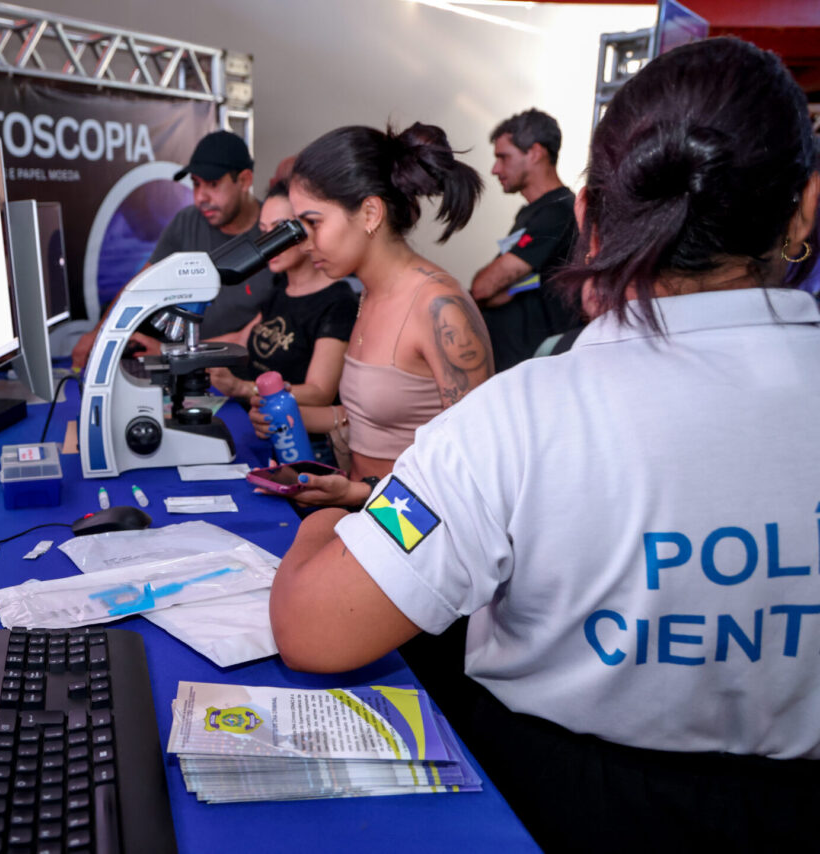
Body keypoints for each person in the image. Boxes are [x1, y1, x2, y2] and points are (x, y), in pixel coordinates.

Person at [269, 37, 820, 852]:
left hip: (554, 811)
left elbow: (316, 629)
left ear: (590, 217)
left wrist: (326, 522)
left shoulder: (515, 418)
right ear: (805, 205)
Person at [256, 122, 490, 507]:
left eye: (313, 223)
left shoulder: (440, 309)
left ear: (369, 213)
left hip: (413, 527)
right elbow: (373, 417)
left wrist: (358, 494)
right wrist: (285, 416)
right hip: (367, 509)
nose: (304, 242)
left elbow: (473, 468)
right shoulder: (368, 294)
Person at [71, 130, 270, 370]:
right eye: (196, 184)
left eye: (213, 184)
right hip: (182, 365)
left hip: (239, 374)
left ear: (245, 180)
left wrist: (173, 352)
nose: (200, 197)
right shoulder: (186, 221)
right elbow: (140, 285)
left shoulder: (273, 234)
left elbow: (258, 335)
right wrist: (99, 334)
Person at [207, 181, 357, 464]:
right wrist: (179, 351)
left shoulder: (338, 301)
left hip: (304, 444)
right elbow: (243, 339)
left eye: (279, 231)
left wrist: (241, 387)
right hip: (262, 431)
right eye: (263, 233)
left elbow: (320, 391)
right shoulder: (280, 288)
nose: (268, 245)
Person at [470, 109, 579, 371]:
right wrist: (503, 288)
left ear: (535, 153)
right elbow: (490, 291)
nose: (495, 169)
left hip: (533, 368)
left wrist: (498, 289)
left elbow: (483, 288)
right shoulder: (535, 212)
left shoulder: (558, 211)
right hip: (515, 365)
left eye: (503, 157)